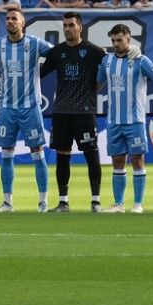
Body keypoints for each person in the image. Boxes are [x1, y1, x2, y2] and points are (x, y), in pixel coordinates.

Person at [40, 11, 105, 212]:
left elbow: (111, 68)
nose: (67, 29)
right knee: (62, 156)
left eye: (71, 25)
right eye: (65, 25)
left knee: (91, 155)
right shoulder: (57, 52)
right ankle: (63, 202)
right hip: (61, 113)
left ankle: (95, 201)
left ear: (80, 27)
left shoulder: (94, 51)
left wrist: (93, 91)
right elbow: (37, 74)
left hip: (84, 113)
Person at [0, 5, 51, 212]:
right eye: (7, 19)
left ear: (22, 23)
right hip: (7, 108)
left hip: (30, 107)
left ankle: (43, 201)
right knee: (6, 153)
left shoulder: (34, 43)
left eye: (14, 19)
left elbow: (55, 54)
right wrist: (0, 84)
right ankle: (7, 202)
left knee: (37, 151)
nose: (10, 22)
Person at [102, 22, 153, 213]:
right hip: (113, 121)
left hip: (135, 121)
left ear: (128, 38)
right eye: (113, 40)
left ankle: (138, 204)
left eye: (119, 40)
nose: (116, 43)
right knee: (118, 161)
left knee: (137, 160)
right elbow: (96, 83)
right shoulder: (107, 61)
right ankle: (118, 204)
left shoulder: (141, 60)